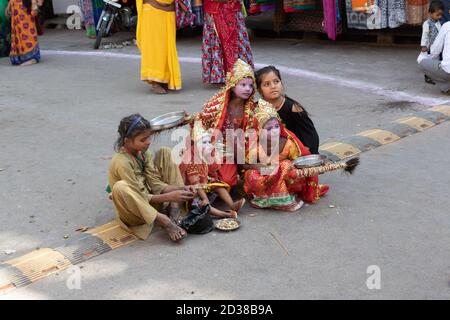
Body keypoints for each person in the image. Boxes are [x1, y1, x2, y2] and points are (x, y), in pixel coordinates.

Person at [108, 114, 197, 241]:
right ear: (127, 141)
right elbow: (139, 196)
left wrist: (181, 188)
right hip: (136, 211)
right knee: (120, 187)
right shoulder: (122, 162)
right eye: (143, 140)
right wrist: (168, 196)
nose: (148, 142)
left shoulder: (144, 153)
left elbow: (155, 183)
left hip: (151, 201)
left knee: (165, 152)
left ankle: (174, 209)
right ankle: (165, 221)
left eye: (148, 137)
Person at [242, 100, 328, 211]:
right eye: (268, 129)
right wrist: (257, 167)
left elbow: (299, 161)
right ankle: (264, 200)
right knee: (251, 174)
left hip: (284, 176)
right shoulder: (256, 144)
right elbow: (245, 165)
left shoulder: (287, 143)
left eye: (276, 127)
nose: (274, 131)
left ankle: (283, 200)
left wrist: (315, 167)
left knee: (286, 164)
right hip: (265, 175)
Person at [196, 58, 258, 187]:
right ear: (232, 84)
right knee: (227, 181)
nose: (248, 89)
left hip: (244, 147)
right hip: (220, 148)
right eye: (243, 85)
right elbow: (200, 123)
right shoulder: (216, 104)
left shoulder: (253, 108)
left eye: (251, 85)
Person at [179, 121, 245, 218]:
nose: (209, 145)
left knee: (219, 186)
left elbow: (212, 170)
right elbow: (195, 185)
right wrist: (205, 198)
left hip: (203, 183)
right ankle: (224, 214)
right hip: (192, 190)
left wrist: (212, 156)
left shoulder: (203, 154)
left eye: (209, 142)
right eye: (204, 142)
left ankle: (232, 205)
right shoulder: (191, 159)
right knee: (201, 203)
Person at [255, 65, 320, 155]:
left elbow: (310, 135)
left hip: (295, 151)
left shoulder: (293, 108)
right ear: (259, 90)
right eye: (267, 84)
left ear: (281, 83)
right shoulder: (257, 109)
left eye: (276, 81)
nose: (273, 86)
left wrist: (303, 153)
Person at [202, 0, 254, 84]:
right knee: (218, 39)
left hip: (232, 9)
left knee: (237, 38)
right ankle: (221, 74)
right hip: (215, 10)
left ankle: (240, 72)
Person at [136, 0, 182, 94]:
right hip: (152, 11)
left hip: (168, 12)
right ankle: (155, 82)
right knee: (154, 48)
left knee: (166, 48)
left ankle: (164, 78)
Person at [419, 15, 450, 94]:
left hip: (447, 71)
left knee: (422, 62)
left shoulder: (447, 25)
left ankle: (447, 88)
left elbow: (435, 51)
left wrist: (427, 57)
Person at [6, 0, 42, 65]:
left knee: (28, 33)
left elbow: (39, 3)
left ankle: (32, 58)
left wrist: (34, 3)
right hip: (16, 8)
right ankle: (21, 57)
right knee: (18, 33)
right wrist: (10, 3)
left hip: (25, 8)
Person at [419, 1, 444, 84]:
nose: (440, 17)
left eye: (441, 15)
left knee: (436, 61)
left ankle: (434, 76)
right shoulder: (427, 24)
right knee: (429, 61)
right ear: (430, 13)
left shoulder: (438, 22)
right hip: (430, 46)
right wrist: (423, 45)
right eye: (437, 15)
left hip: (437, 46)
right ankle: (427, 76)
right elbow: (424, 35)